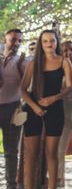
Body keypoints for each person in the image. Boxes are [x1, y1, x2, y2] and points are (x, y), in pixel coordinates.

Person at [20, 29, 72, 189]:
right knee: (31, 155)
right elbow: (23, 89)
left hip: (55, 109)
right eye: (45, 41)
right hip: (32, 109)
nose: (49, 44)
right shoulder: (33, 63)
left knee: (51, 153)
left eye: (52, 41)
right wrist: (35, 107)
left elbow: (70, 87)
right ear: (41, 44)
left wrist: (53, 99)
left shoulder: (64, 61)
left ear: (57, 42)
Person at [0, 29, 27, 189]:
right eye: (13, 40)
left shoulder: (22, 61)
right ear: (5, 39)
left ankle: (11, 185)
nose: (16, 43)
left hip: (13, 109)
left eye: (19, 41)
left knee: (11, 151)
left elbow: (27, 84)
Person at [58, 40, 72, 188]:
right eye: (65, 51)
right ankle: (60, 180)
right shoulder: (58, 71)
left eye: (71, 50)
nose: (68, 53)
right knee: (60, 149)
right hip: (63, 116)